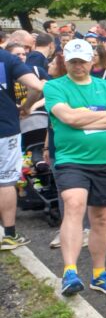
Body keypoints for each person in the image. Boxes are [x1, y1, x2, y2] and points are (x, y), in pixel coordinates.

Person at [45, 39, 106, 295]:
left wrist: (81, 118)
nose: (78, 65)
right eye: (73, 61)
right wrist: (104, 116)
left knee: (101, 218)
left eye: (82, 61)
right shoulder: (54, 86)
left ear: (92, 61)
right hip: (72, 160)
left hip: (105, 161)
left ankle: (99, 274)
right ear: (65, 61)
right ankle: (70, 272)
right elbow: (67, 117)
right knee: (74, 204)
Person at [0, 44, 44, 250]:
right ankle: (9, 234)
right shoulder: (7, 59)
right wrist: (26, 107)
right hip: (5, 126)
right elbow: (37, 86)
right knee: (6, 180)